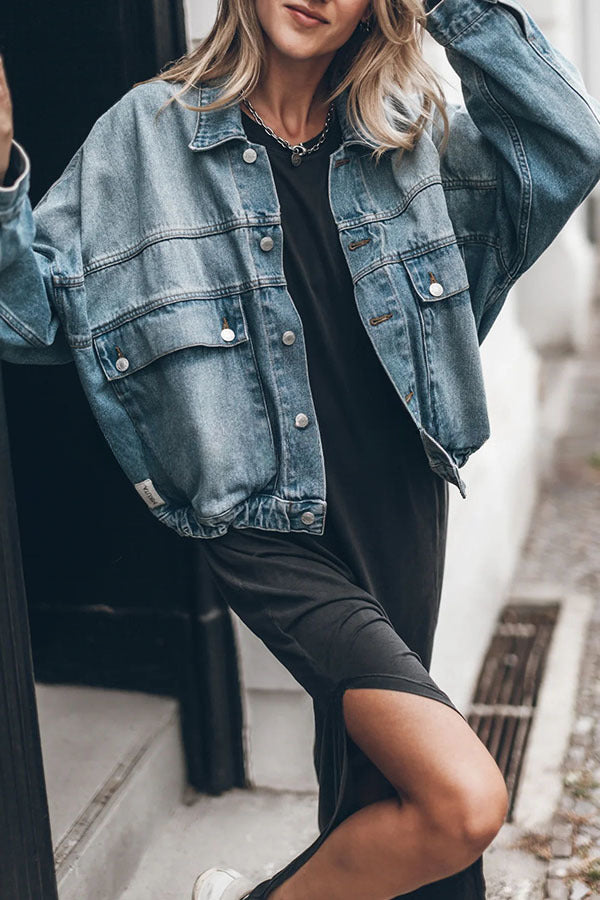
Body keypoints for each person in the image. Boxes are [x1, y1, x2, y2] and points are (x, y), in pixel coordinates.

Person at [1, 1, 599, 899]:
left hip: (400, 497)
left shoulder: (408, 137)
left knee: (383, 793)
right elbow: (33, 312)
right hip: (268, 528)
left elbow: (564, 148)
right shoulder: (148, 136)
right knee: (459, 799)